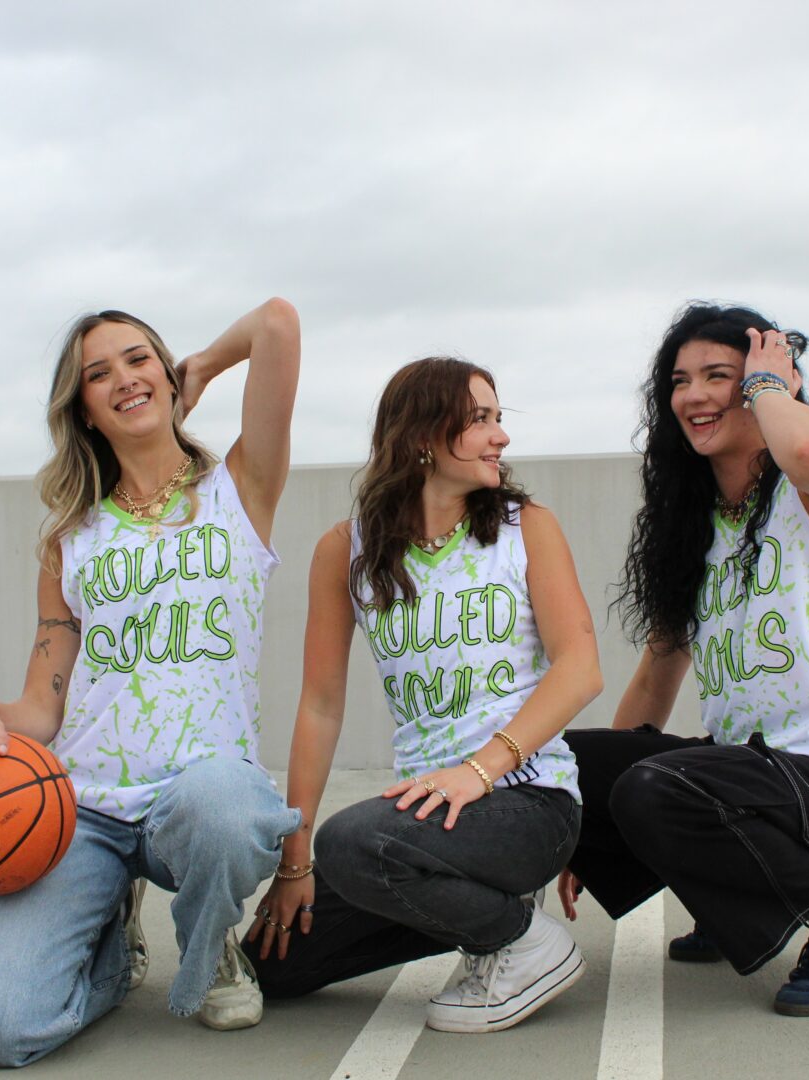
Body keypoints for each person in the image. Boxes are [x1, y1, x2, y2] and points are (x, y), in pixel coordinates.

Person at [0, 299, 304, 1066]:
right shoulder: (70, 540)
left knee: (227, 807)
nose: (124, 379)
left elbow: (278, 324)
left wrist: (201, 367)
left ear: (165, 373)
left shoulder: (240, 489)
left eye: (137, 359)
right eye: (99, 375)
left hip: (196, 800)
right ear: (84, 410)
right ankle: (114, 957)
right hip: (84, 811)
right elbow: (42, 705)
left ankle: (209, 946)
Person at [558, 303, 809, 1017]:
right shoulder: (693, 529)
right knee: (566, 766)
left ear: (763, 381)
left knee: (657, 786)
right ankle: (736, 900)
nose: (694, 395)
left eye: (718, 376)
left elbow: (807, 450)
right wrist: (583, 821)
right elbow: (657, 675)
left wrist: (770, 383)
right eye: (680, 381)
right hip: (747, 777)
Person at [247, 357, 601, 1033]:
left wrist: (479, 771)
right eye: (480, 420)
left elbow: (580, 668)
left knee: (353, 844)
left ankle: (520, 942)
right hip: (422, 822)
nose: (501, 436)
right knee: (275, 963)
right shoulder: (346, 550)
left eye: (498, 418)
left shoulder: (526, 527)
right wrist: (294, 862)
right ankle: (476, 903)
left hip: (527, 800)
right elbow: (320, 706)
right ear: (422, 437)